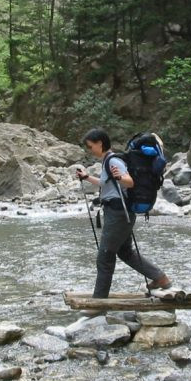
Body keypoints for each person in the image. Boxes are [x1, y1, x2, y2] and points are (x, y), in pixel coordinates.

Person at [76, 128, 171, 304]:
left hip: (118, 215)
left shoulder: (113, 161)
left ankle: (99, 303)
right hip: (119, 213)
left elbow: (129, 181)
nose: (89, 150)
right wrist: (87, 177)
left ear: (100, 143)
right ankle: (160, 278)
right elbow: (107, 183)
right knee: (125, 252)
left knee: (105, 257)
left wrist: (120, 177)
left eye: (90, 146)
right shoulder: (108, 161)